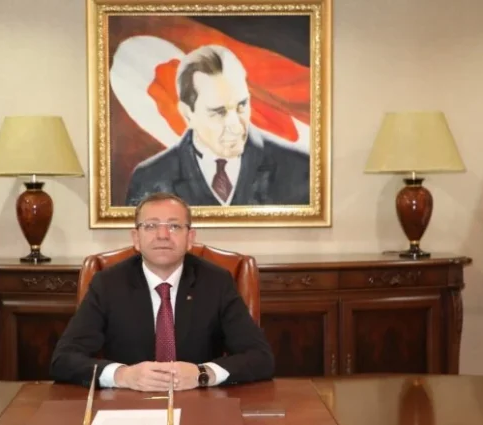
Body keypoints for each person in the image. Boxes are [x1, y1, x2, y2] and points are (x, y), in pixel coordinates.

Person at [50, 192, 274, 391]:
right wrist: (123, 376)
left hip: (198, 404)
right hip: (127, 403)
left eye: (174, 226)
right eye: (151, 226)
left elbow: (260, 357)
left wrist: (202, 374)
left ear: (190, 238)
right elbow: (63, 359)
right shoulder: (108, 284)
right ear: (136, 238)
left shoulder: (216, 281)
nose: (163, 235)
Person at [124, 44, 310, 207]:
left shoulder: (300, 170)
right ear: (187, 113)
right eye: (219, 112)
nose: (235, 126)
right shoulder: (150, 180)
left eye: (242, 105)